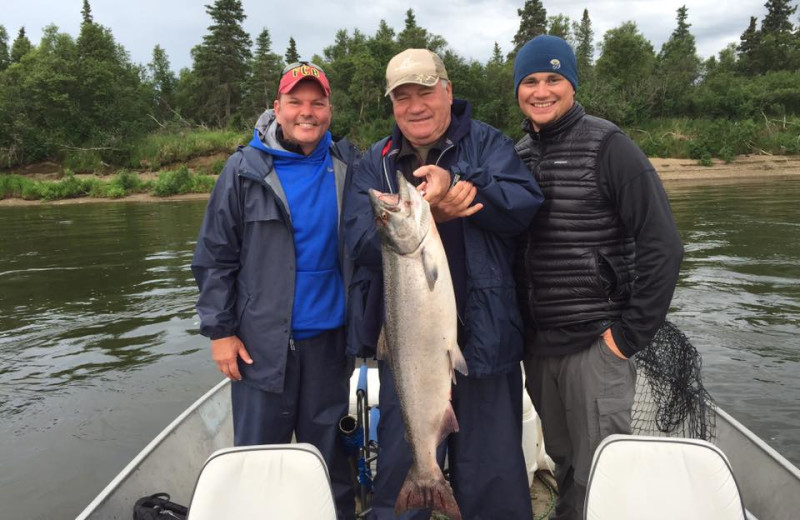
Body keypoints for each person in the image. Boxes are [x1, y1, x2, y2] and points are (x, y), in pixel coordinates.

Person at [343, 48, 543, 520]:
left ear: (448, 91)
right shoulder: (376, 162)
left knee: (492, 477)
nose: (415, 106)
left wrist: (459, 184)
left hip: (486, 339)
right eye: (402, 97)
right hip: (410, 348)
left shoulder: (489, 144)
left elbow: (523, 206)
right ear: (392, 105)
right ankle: (419, 489)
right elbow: (355, 241)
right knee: (401, 469)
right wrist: (426, 215)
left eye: (425, 92)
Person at [512, 35, 684, 520]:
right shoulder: (518, 153)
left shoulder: (610, 146)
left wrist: (626, 338)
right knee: (565, 461)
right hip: (541, 345)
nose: (541, 90)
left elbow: (663, 246)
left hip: (596, 344)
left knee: (602, 467)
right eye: (530, 81)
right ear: (517, 91)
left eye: (553, 79)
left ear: (572, 84)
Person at [192, 61, 358, 520]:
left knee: (327, 457)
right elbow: (215, 257)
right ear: (277, 108)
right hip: (260, 347)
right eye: (296, 102)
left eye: (317, 103)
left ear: (329, 109)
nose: (307, 112)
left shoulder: (351, 165)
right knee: (258, 460)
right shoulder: (242, 170)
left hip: (330, 343)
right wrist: (220, 332)